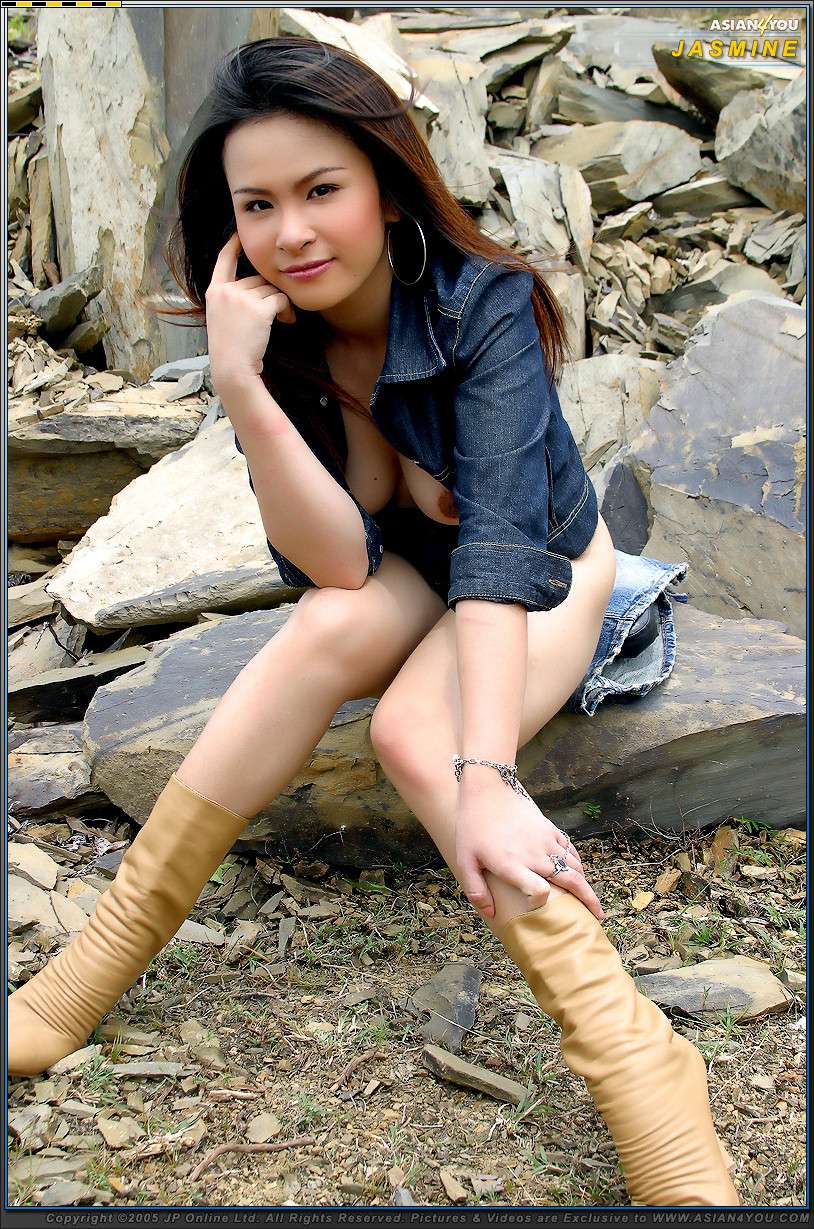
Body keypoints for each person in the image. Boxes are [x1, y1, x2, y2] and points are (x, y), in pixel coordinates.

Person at [8, 37, 739, 1208]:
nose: (291, 232)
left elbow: (498, 550)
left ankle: (638, 1056)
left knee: (414, 735)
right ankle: (83, 975)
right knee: (317, 631)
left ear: (387, 187)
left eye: (321, 190)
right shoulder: (274, 332)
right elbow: (334, 562)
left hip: (543, 567)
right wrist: (241, 386)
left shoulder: (484, 305)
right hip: (400, 567)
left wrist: (487, 771)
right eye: (258, 205)